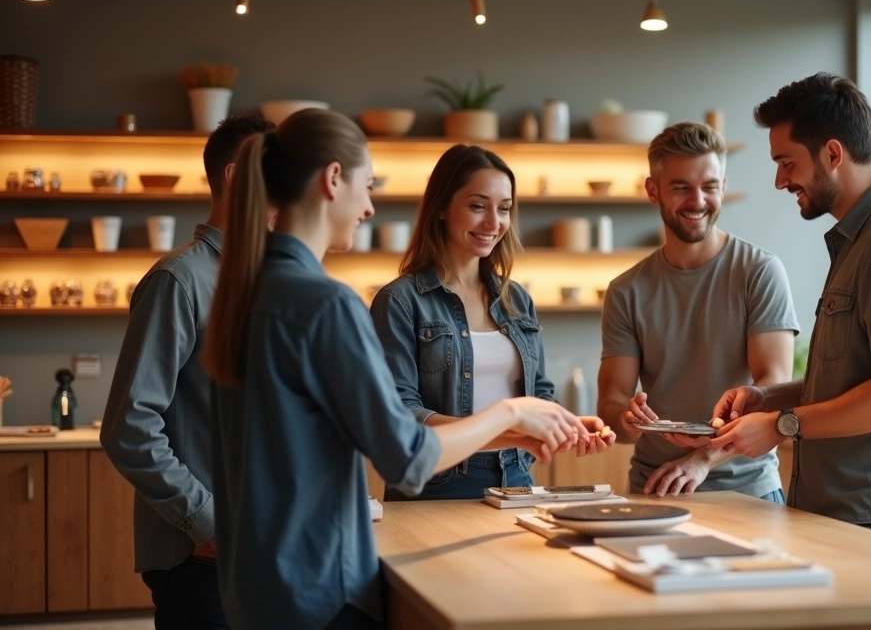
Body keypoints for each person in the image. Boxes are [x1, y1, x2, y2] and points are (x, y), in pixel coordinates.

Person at [201, 109, 585, 629]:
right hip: (318, 583)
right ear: (333, 179)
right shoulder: (326, 304)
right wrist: (512, 411)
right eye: (368, 185)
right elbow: (407, 456)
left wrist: (516, 427)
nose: (369, 206)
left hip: (257, 578)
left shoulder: (247, 291)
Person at [708, 72, 871, 546]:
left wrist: (782, 426)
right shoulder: (862, 240)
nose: (780, 180)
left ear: (833, 154)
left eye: (786, 162)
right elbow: (859, 379)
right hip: (848, 520)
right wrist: (769, 399)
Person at [100, 114, 274, 630]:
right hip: (205, 560)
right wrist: (209, 524)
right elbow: (128, 427)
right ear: (236, 177)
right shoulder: (179, 281)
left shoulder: (272, 279)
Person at [371, 144, 615, 501]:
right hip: (435, 486)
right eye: (477, 206)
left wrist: (568, 425)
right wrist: (512, 422)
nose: (493, 223)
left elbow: (539, 393)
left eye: (504, 209)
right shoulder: (400, 301)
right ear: (440, 207)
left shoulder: (516, 299)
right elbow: (404, 417)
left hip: (516, 478)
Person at [598, 121, 799, 501]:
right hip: (655, 489)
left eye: (709, 186)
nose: (698, 201)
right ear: (653, 191)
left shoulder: (759, 272)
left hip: (748, 493)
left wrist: (703, 458)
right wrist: (627, 419)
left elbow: (772, 391)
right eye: (681, 188)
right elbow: (611, 401)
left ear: (722, 187)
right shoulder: (626, 291)